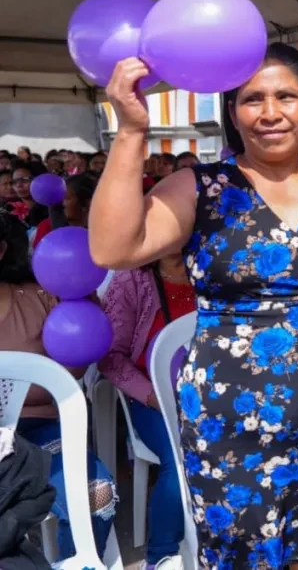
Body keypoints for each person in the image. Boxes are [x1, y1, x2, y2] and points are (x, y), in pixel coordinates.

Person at [88, 45, 298, 570]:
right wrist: (131, 131)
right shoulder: (201, 189)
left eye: (286, 97)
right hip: (235, 423)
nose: (270, 112)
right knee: (245, 558)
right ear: (232, 112)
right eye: (252, 99)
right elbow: (113, 249)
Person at [0, 211, 118, 562]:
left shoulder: (42, 298)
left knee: (98, 494)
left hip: (38, 432)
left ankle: (76, 560)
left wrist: (81, 300)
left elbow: (77, 362)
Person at [100, 251, 194, 568]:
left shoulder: (213, 269)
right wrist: (155, 396)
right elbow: (111, 358)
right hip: (152, 398)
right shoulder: (131, 280)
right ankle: (162, 555)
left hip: (213, 393)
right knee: (181, 458)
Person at [32, 173, 97, 248]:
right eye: (58, 198)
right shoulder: (46, 226)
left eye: (66, 198)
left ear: (86, 203)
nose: (60, 203)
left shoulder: (105, 231)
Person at [9, 161, 49, 228]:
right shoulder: (8, 209)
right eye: (15, 181)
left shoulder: (51, 209)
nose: (19, 185)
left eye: (24, 180)